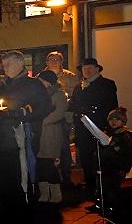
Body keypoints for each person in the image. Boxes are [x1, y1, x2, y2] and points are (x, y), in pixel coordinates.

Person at [0, 50, 52, 220]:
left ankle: (24, 210)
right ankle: (7, 207)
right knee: (3, 177)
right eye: (3, 64)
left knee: (22, 176)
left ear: (19, 63)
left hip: (21, 139)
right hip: (2, 140)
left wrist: (21, 114)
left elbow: (45, 107)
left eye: (7, 64)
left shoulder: (33, 84)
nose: (4, 68)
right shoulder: (3, 85)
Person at [69, 57, 118, 193]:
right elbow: (74, 105)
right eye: (84, 68)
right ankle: (90, 188)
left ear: (97, 69)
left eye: (90, 68)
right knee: (85, 159)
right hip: (83, 129)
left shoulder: (107, 84)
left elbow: (111, 106)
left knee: (101, 160)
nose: (87, 71)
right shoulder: (78, 87)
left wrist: (108, 128)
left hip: (100, 128)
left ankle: (102, 190)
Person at [35, 70, 68, 204]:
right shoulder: (38, 95)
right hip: (39, 134)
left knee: (51, 164)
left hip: (52, 133)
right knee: (40, 164)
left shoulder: (59, 95)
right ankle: (44, 193)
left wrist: (40, 120)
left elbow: (59, 112)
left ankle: (56, 193)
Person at [97, 107, 132, 219]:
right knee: (106, 189)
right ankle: (108, 208)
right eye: (111, 119)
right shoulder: (111, 134)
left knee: (114, 191)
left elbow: (126, 153)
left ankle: (117, 212)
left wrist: (113, 147)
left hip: (118, 168)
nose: (113, 121)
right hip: (109, 167)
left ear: (123, 121)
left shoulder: (125, 136)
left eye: (117, 119)